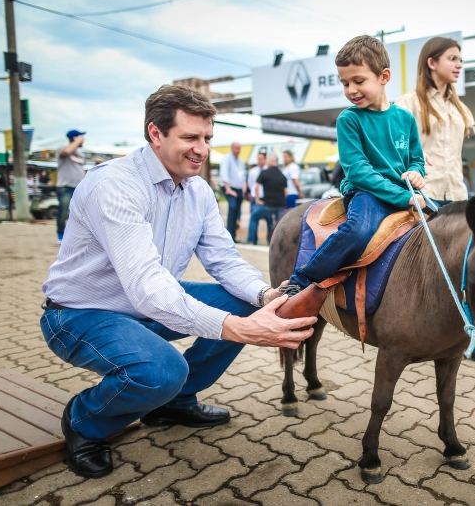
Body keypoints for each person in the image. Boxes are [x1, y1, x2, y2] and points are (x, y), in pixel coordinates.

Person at [40, 85, 316, 479]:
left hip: (146, 304)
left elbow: (223, 259)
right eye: (190, 137)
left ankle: (175, 403)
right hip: (80, 314)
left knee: (244, 303)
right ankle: (85, 421)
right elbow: (148, 285)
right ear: (155, 133)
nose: (202, 149)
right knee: (162, 371)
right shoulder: (114, 185)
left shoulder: (199, 191)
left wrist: (265, 294)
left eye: (207, 138)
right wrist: (239, 330)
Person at [284, 35, 425, 311]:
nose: (351, 90)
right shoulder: (349, 119)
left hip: (403, 191)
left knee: (448, 225)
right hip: (367, 193)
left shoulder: (406, 119)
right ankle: (301, 280)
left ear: (384, 76)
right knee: (358, 231)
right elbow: (358, 172)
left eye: (358, 81)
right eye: (345, 83)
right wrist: (402, 196)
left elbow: (417, 159)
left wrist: (416, 173)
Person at [396, 36, 475, 205]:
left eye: (460, 60)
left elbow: (457, 154)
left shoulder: (460, 109)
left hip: (457, 195)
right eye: (452, 59)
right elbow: (393, 145)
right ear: (431, 63)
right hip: (423, 193)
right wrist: (415, 152)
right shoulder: (409, 102)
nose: (459, 65)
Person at [248, 153, 288, 245]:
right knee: (279, 224)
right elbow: (286, 192)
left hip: (268, 204)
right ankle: (278, 243)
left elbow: (256, 187)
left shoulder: (264, 173)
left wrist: (257, 199)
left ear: (271, 161)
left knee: (254, 217)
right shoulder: (282, 175)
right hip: (280, 204)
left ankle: (251, 240)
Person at [56, 130, 86, 243]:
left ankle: (76, 236)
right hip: (65, 186)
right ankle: (60, 234)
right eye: (82, 137)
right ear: (75, 138)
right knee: (63, 212)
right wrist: (78, 140)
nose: (84, 139)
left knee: (80, 214)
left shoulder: (80, 153)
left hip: (79, 187)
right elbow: (66, 151)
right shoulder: (62, 148)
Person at [219, 142, 247, 242]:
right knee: (233, 207)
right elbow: (224, 174)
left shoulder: (240, 161)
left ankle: (233, 236)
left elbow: (243, 175)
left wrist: (244, 186)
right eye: (236, 148)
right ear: (232, 148)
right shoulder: (227, 159)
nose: (238, 150)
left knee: (237, 211)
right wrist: (228, 189)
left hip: (239, 189)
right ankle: (229, 235)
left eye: (239, 148)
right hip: (229, 188)